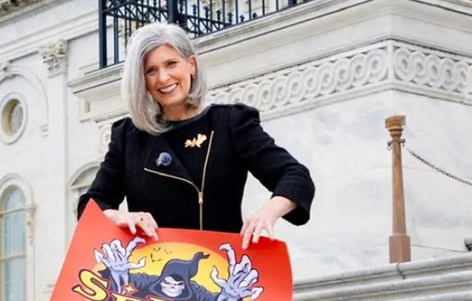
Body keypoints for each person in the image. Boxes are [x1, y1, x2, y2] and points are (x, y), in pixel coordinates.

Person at [76, 22, 315, 249]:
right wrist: (118, 216)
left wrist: (267, 213)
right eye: (151, 70)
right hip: (151, 274)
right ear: (143, 81)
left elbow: (295, 176)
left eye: (171, 64)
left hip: (221, 268)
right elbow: (90, 205)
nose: (163, 78)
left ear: (191, 65)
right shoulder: (129, 136)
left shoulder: (231, 123)